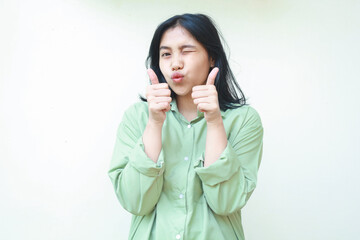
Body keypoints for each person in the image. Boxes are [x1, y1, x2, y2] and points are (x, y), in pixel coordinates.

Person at [108, 13, 263, 240]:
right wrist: (154, 124)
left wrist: (214, 122)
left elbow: (226, 203)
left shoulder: (244, 120)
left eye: (186, 50)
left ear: (212, 57)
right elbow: (134, 201)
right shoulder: (137, 117)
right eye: (166, 54)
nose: (175, 63)